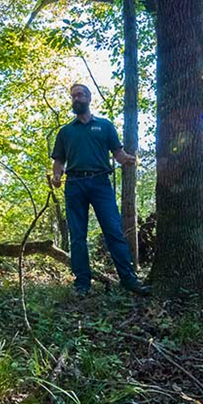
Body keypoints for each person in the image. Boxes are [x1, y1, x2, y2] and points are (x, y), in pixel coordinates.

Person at [51, 84, 149, 297]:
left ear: (89, 98)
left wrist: (128, 160)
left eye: (80, 94)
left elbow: (118, 153)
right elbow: (59, 160)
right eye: (73, 96)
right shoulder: (66, 132)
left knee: (113, 231)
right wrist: (57, 176)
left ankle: (129, 280)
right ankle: (82, 284)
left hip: (100, 183)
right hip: (75, 185)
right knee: (78, 236)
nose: (77, 98)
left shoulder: (104, 126)